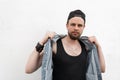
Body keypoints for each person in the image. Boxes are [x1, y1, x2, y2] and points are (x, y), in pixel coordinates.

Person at [25, 9, 105, 80]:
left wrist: (98, 46)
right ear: (67, 25)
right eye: (73, 24)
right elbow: (29, 69)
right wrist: (42, 42)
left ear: (83, 27)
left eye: (79, 25)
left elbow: (101, 69)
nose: (76, 28)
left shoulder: (87, 47)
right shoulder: (55, 46)